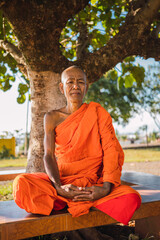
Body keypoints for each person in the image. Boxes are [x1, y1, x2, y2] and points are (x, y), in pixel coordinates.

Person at [13, 66, 141, 225]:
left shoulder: (98, 113)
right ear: (62, 87)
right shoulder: (51, 117)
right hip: (64, 182)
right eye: (70, 82)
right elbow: (48, 155)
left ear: (86, 87)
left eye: (80, 82)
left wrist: (106, 188)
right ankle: (66, 200)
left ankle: (70, 203)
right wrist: (59, 187)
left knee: (131, 197)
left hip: (93, 185)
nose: (75, 86)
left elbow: (111, 150)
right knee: (21, 184)